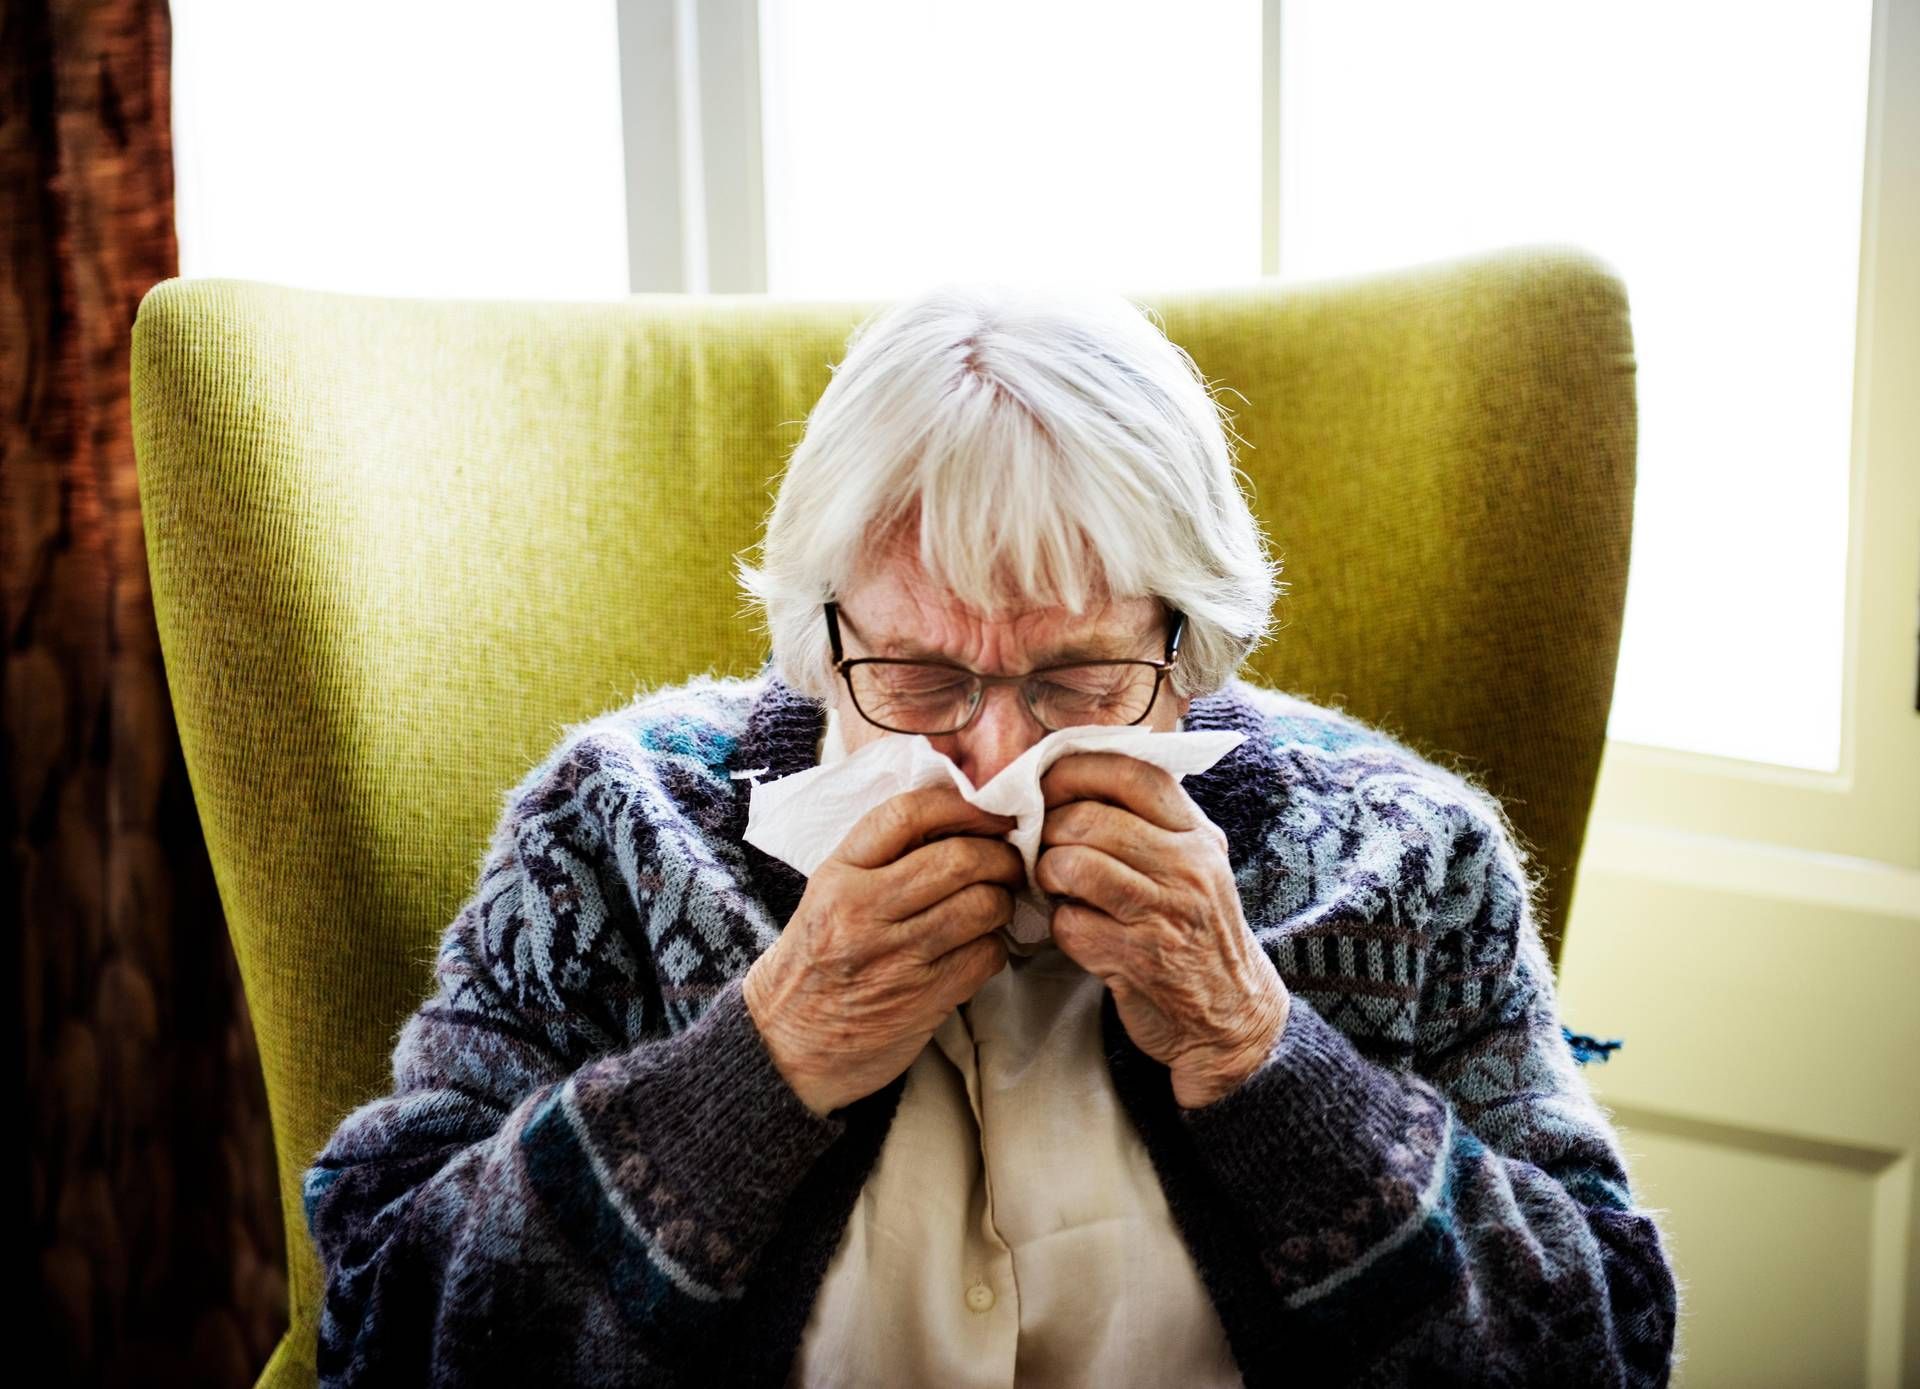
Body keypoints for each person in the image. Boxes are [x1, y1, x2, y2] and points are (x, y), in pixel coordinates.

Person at [301, 281, 1679, 1387]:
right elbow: (381, 1322)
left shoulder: (1410, 862)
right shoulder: (617, 833)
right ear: (817, 635)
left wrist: (1261, 1055)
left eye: (1079, 678)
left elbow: (1606, 1343)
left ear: (1189, 650)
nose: (998, 757)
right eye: (919, 678)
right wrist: (759, 1063)